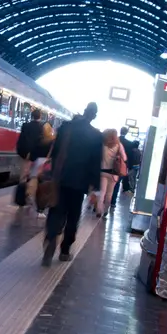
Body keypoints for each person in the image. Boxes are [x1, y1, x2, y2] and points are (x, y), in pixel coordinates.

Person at [42, 102, 102, 266]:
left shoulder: (66, 128)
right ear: (94, 116)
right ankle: (65, 250)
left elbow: (54, 152)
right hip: (79, 183)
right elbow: (96, 163)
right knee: (73, 216)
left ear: (84, 111)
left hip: (59, 178)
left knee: (56, 210)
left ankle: (51, 238)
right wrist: (95, 187)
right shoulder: (96, 136)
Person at [95, 129, 127, 219]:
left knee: (102, 192)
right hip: (114, 173)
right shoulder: (118, 145)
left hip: (102, 171)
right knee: (110, 193)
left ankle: (98, 210)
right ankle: (105, 211)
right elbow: (124, 158)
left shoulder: (103, 144)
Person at [110, 126, 139, 207]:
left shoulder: (113, 141)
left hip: (111, 165)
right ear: (126, 132)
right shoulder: (129, 144)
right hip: (121, 167)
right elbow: (129, 157)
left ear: (120, 131)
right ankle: (113, 202)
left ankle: (105, 200)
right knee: (117, 183)